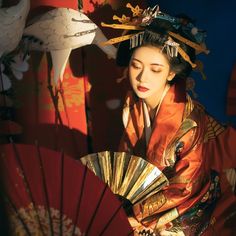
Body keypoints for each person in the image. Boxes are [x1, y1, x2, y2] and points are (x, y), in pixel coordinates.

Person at [103, 4, 236, 236]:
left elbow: (187, 185)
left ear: (171, 73)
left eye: (155, 70)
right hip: (151, 197)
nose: (142, 77)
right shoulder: (133, 103)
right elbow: (128, 161)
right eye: (136, 66)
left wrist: (138, 215)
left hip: (198, 197)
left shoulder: (189, 121)